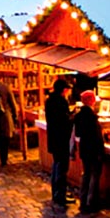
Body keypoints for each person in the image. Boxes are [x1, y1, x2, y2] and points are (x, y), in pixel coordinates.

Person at [74, 90, 105, 213]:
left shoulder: (79, 115)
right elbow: (96, 137)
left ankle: (83, 200)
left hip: (84, 148)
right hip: (93, 150)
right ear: (91, 101)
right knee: (94, 175)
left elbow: (78, 133)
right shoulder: (91, 117)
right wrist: (100, 152)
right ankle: (91, 202)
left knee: (86, 174)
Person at [45, 78, 74, 206]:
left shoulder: (49, 100)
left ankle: (56, 192)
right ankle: (60, 195)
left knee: (56, 164)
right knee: (62, 167)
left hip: (53, 137)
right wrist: (73, 117)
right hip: (61, 139)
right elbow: (64, 121)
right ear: (64, 90)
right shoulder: (61, 102)